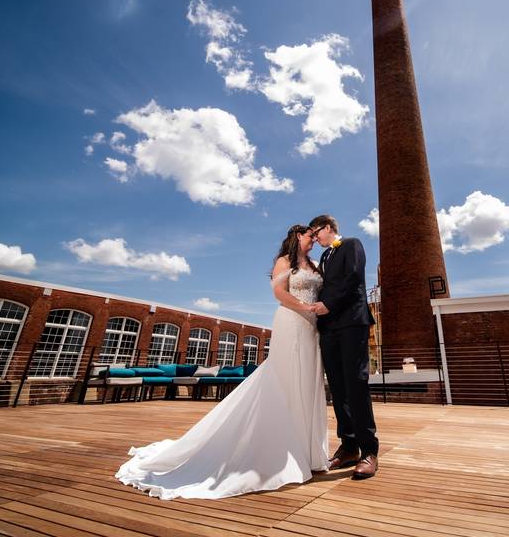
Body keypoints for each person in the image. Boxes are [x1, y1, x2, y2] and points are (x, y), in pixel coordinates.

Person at [115, 225, 329, 499]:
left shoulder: (313, 263)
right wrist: (307, 308)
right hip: (292, 322)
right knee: (288, 380)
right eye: (311, 236)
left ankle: (309, 452)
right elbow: (279, 294)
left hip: (312, 329)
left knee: (308, 383)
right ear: (298, 236)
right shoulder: (284, 261)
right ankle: (287, 450)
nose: (314, 240)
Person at [309, 214, 379, 479]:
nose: (315, 238)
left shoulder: (352, 244)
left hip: (351, 322)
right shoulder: (325, 257)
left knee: (356, 383)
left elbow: (352, 278)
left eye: (317, 233)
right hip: (329, 328)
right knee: (337, 387)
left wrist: (330, 305)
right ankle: (348, 446)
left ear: (328, 227)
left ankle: (369, 451)